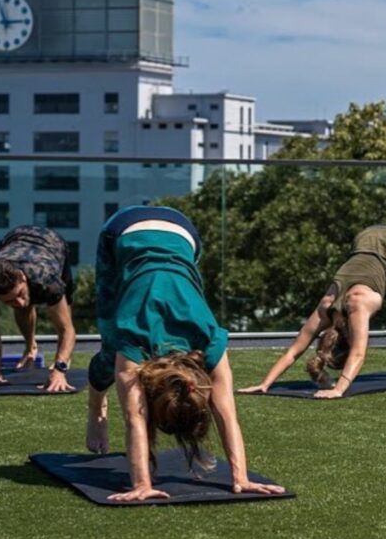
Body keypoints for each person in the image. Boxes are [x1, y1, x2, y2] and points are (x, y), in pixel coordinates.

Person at [85, 205, 285, 503]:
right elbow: (135, 418)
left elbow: (226, 416)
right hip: (123, 232)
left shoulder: (209, 341)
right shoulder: (133, 337)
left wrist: (241, 478)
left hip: (184, 233)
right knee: (109, 345)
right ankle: (94, 407)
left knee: (178, 281)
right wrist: (141, 484)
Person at [240, 224, 386, 399]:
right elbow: (293, 352)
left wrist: (339, 389)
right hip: (366, 239)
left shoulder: (358, 304)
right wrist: (265, 384)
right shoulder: (326, 307)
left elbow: (358, 353)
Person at [0, 225, 77, 392]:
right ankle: (30, 349)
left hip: (53, 242)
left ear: (22, 277)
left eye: (20, 293)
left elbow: (67, 330)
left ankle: (64, 359)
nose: (20, 302)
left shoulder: (47, 279)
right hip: (14, 238)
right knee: (22, 307)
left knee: (64, 314)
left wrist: (60, 370)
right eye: (9, 301)